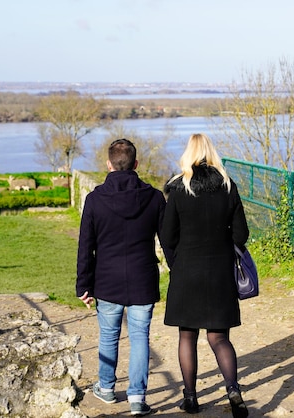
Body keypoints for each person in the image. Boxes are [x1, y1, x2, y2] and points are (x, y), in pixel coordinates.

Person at [159, 133, 250, 417]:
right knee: (219, 338)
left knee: (187, 337)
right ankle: (233, 389)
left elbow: (166, 234)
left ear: (188, 153)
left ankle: (190, 398)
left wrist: (176, 262)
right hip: (220, 271)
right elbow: (241, 234)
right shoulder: (228, 185)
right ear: (211, 153)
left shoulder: (177, 187)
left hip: (187, 270)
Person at [76, 138, 166, 416]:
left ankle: (105, 387)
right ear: (136, 164)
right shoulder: (154, 197)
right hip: (143, 278)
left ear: (109, 164)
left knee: (109, 336)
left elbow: (85, 246)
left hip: (106, 280)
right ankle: (137, 398)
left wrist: (83, 285)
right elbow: (168, 241)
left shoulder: (95, 199)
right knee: (140, 337)